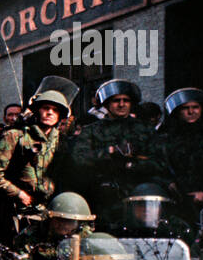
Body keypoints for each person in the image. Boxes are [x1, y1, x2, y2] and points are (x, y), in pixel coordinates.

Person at [69, 79, 167, 230]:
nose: (121, 104)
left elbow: (160, 162)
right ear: (107, 103)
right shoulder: (92, 131)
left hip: (139, 200)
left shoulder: (145, 130)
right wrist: (110, 152)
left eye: (126, 100)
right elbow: (79, 160)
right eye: (116, 100)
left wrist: (131, 164)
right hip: (102, 199)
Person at [0, 89, 69, 237]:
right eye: (46, 108)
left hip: (51, 210)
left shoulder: (62, 142)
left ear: (60, 116)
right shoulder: (15, 136)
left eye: (55, 110)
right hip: (19, 211)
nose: (50, 113)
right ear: (37, 111)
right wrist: (18, 194)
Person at [157, 87, 203, 226]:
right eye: (185, 108)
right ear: (177, 111)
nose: (191, 112)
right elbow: (161, 166)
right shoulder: (166, 138)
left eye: (195, 107)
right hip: (176, 198)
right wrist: (171, 185)